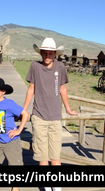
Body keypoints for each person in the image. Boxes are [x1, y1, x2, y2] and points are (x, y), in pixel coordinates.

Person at [23, 38, 78, 190]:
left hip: (55, 117)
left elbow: (62, 89)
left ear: (55, 54)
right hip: (39, 116)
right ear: (40, 53)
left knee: (55, 156)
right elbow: (31, 89)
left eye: (50, 53)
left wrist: (68, 108)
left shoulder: (60, 67)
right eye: (44, 53)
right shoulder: (35, 66)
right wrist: (24, 109)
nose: (47, 56)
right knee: (42, 157)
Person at [0, 78, 29, 191]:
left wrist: (19, 130)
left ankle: (15, 188)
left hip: (11, 140)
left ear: (3, 92)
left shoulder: (10, 104)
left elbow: (25, 114)